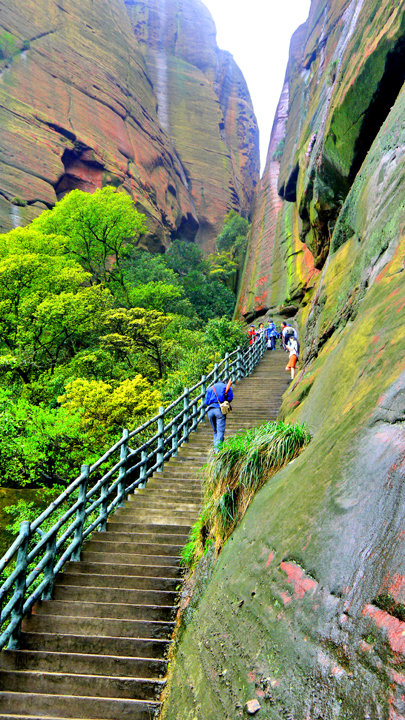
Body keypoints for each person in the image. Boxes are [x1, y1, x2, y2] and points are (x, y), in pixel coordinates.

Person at [205, 378, 234, 452]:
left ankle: (215, 448)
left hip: (210, 411)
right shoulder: (225, 387)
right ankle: (217, 450)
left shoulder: (210, 388)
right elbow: (230, 397)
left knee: (215, 431)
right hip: (219, 410)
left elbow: (206, 402)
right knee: (220, 431)